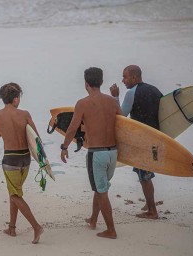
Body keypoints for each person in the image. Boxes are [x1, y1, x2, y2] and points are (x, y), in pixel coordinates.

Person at [61, 67, 122, 239]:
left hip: (97, 154)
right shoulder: (112, 101)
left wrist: (64, 147)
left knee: (101, 191)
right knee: (100, 187)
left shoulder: (83, 103)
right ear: (101, 82)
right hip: (113, 153)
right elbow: (123, 124)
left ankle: (111, 230)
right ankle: (93, 219)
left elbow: (72, 128)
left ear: (86, 83)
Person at [0, 82, 44, 244]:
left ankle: (36, 226)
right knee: (15, 192)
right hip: (25, 159)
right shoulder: (25, 114)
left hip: (10, 159)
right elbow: (36, 138)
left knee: (15, 194)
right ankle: (12, 228)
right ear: (15, 99)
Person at [110, 65, 163, 219]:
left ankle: (152, 211)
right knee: (146, 173)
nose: (123, 80)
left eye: (125, 77)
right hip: (155, 138)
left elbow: (120, 116)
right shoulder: (155, 90)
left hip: (141, 141)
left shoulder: (131, 93)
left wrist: (115, 97)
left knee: (144, 176)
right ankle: (149, 202)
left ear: (134, 77)